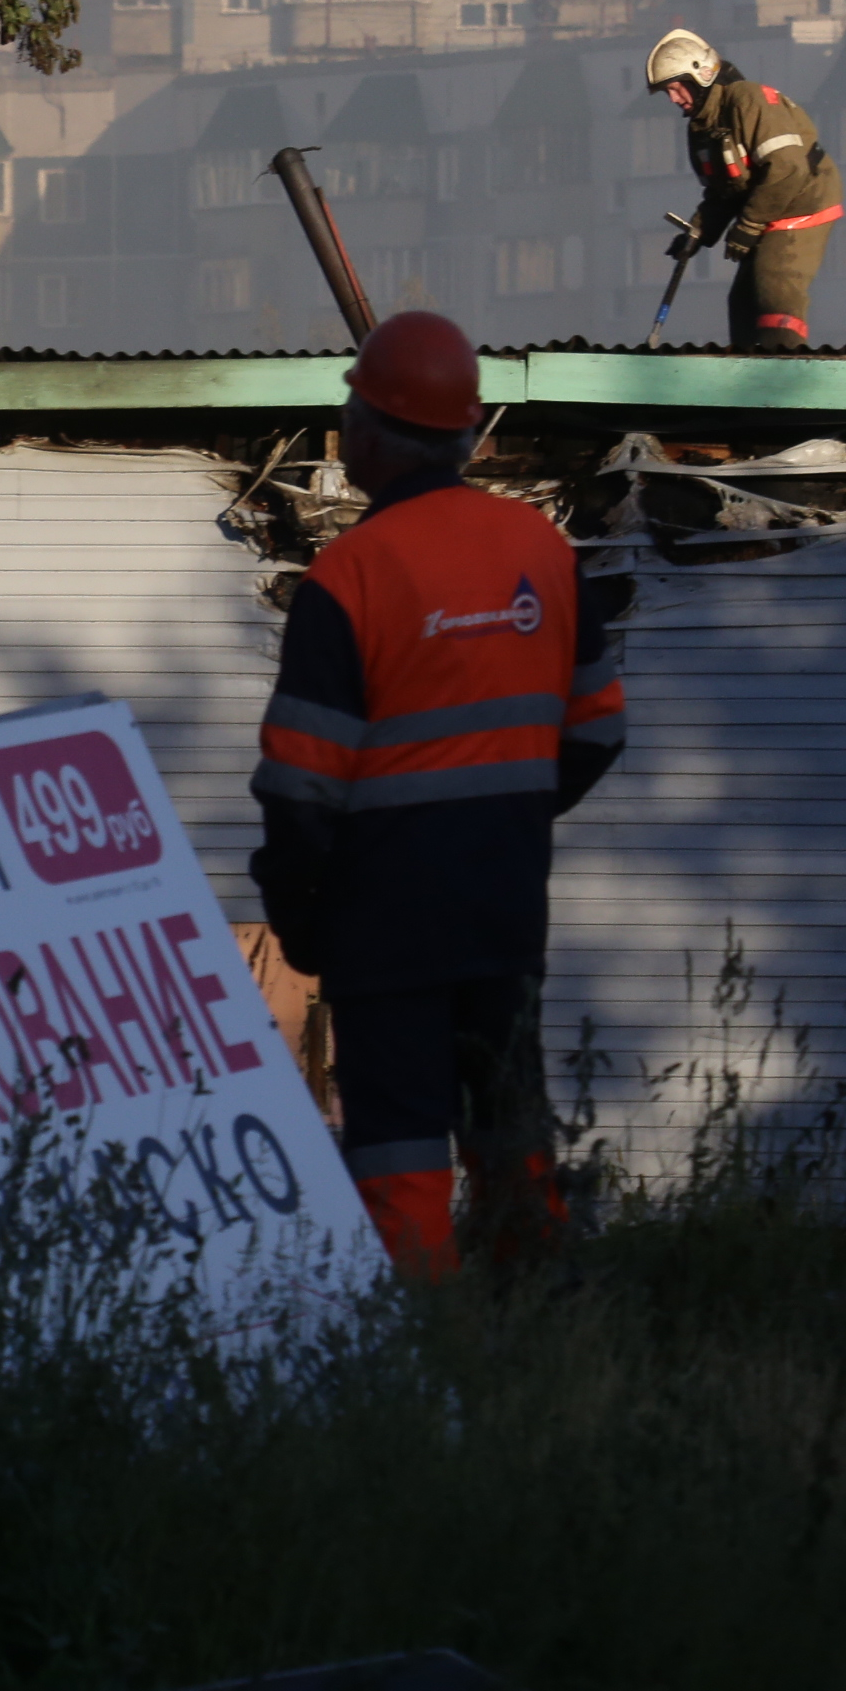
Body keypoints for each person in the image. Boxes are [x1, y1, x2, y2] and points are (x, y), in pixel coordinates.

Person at [248, 311, 628, 1279]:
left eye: (350, 403)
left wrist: (301, 917)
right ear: (465, 434)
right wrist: (497, 824)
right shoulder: (542, 550)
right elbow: (597, 732)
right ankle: (527, 1340)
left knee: (398, 1162)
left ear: (372, 433)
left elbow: (299, 791)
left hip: (385, 935)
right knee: (513, 1146)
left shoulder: (348, 578)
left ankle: (417, 1366)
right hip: (504, 916)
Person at [644, 27, 843, 354]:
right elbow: (724, 192)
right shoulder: (702, 129)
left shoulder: (747, 100)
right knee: (742, 300)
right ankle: (745, 372)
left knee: (774, 287)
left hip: (802, 201)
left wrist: (748, 225)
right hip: (767, 207)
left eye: (676, 89)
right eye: (667, 93)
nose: (674, 100)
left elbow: (788, 168)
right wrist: (697, 232)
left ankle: (785, 375)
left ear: (701, 75)